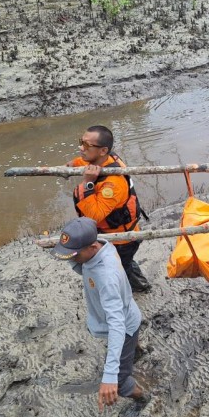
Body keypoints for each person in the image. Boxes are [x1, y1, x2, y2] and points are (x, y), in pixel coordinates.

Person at [53, 217, 149, 412]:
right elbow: (84, 266)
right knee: (129, 343)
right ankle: (137, 352)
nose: (71, 259)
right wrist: (63, 251)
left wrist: (110, 376)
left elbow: (117, 325)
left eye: (73, 255)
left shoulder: (106, 278)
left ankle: (144, 399)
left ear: (91, 247)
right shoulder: (105, 245)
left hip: (125, 325)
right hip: (130, 312)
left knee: (120, 383)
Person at [66, 125, 151, 293]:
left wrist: (88, 183)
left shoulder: (113, 183)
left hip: (121, 239)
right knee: (125, 263)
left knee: (121, 267)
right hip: (116, 233)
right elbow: (81, 160)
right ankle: (137, 281)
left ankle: (139, 287)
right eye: (81, 142)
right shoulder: (100, 158)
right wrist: (70, 166)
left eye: (87, 145)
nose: (81, 148)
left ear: (103, 150)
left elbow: (95, 216)